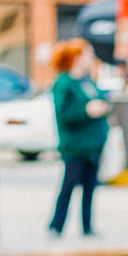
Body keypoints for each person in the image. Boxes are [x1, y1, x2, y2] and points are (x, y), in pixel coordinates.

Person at [48, 39, 112, 237]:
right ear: (77, 57)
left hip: (93, 145)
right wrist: (86, 110)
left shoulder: (87, 81)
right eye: (89, 54)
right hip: (75, 146)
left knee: (90, 188)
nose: (92, 58)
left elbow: (100, 99)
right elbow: (64, 114)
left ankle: (87, 226)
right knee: (68, 186)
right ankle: (56, 225)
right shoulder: (64, 83)